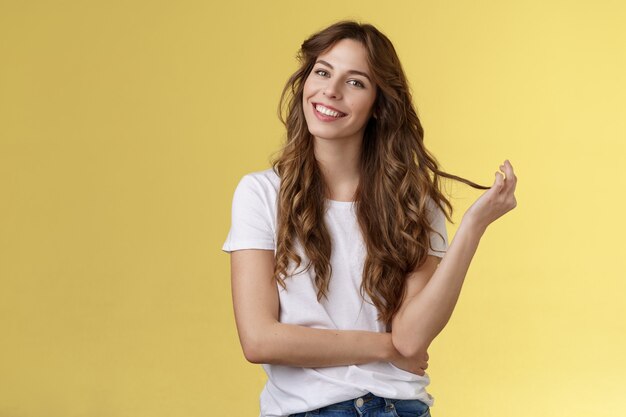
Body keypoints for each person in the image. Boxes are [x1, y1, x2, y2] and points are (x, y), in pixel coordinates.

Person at [222, 20, 517, 417]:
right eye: (323, 72)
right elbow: (259, 340)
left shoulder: (412, 203)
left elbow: (412, 340)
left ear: (378, 105)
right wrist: (384, 346)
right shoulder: (260, 194)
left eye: (355, 82)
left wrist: (472, 228)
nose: (331, 90)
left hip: (401, 408)